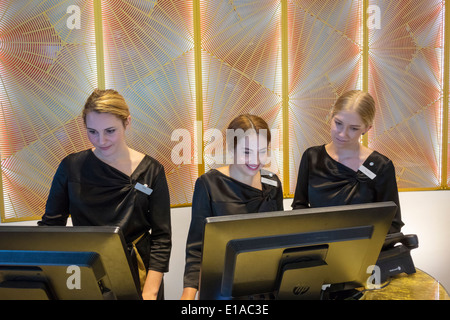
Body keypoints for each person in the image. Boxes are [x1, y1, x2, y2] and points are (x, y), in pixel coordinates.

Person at [38, 88, 172, 300]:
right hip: (85, 270)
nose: (101, 141)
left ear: (127, 122)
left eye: (110, 131)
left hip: (139, 272)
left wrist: (151, 292)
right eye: (92, 132)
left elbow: (161, 237)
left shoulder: (151, 171)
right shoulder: (71, 167)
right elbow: (51, 229)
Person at [181, 114, 284, 300]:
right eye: (246, 152)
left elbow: (280, 242)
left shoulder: (272, 183)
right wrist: (187, 296)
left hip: (266, 289)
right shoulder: (209, 184)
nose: (255, 160)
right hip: (223, 291)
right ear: (230, 148)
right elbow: (197, 249)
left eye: (262, 151)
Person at [292, 90, 403, 233]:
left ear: (367, 128)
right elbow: (299, 207)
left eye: (354, 128)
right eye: (338, 123)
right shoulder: (312, 157)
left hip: (362, 251)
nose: (342, 134)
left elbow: (392, 224)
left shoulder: (381, 166)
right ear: (331, 116)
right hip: (318, 248)